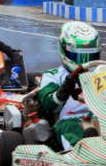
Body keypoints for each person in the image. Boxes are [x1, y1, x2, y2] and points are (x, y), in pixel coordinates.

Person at [36, 22, 102, 150]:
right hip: (70, 120)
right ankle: (84, 151)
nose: (84, 62)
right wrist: (63, 91)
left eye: (90, 56)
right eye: (78, 55)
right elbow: (48, 106)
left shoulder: (102, 73)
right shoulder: (54, 75)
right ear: (63, 49)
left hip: (103, 117)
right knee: (71, 129)